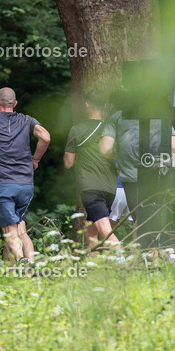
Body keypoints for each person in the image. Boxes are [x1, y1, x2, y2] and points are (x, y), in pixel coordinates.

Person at [99, 92, 175, 261]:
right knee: (160, 213)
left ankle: (149, 258)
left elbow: (105, 149)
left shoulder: (117, 117)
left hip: (131, 177)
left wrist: (121, 158)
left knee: (142, 218)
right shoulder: (160, 116)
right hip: (159, 176)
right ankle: (167, 254)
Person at [0, 87, 51, 264]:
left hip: (2, 185)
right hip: (26, 185)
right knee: (19, 229)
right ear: (15, 104)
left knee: (9, 231)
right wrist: (35, 159)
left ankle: (23, 262)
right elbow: (45, 137)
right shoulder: (26, 120)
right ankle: (27, 265)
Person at [64, 91, 120, 252]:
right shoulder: (111, 129)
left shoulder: (77, 129)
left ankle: (125, 256)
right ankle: (94, 268)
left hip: (90, 186)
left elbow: (68, 163)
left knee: (104, 228)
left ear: (86, 105)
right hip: (110, 187)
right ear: (104, 106)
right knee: (90, 230)